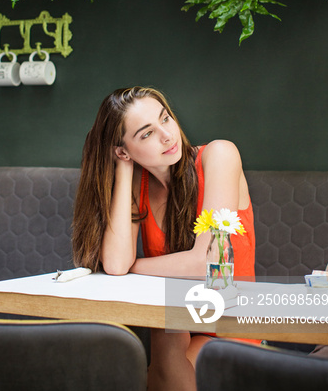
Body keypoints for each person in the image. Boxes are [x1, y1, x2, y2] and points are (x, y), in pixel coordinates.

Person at [72, 86, 256, 391]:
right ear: (123, 150)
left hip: (232, 327)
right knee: (162, 333)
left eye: (165, 119)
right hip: (178, 326)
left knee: (164, 352)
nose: (168, 135)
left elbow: (209, 264)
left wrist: (136, 266)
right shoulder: (138, 186)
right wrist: (124, 169)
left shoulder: (220, 155)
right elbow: (117, 263)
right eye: (146, 134)